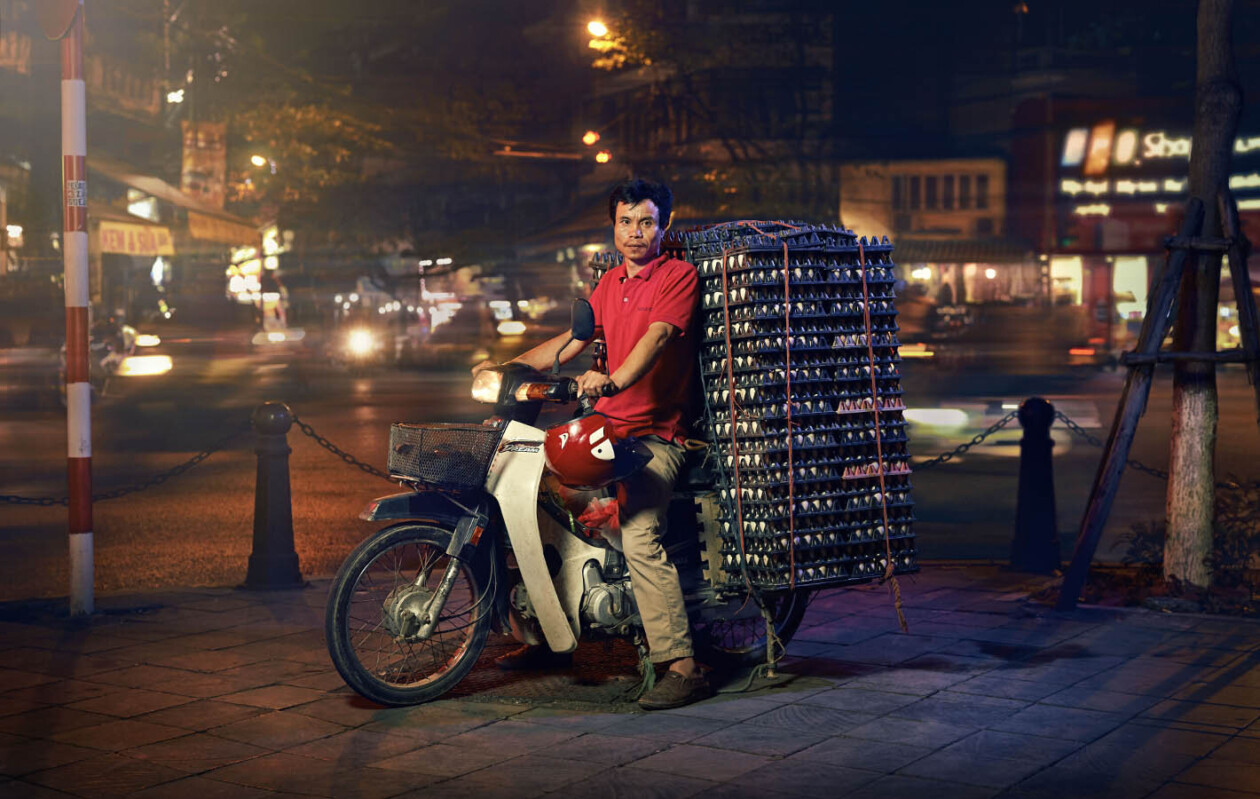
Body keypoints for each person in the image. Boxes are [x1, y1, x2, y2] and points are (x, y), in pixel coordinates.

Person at [472, 178, 709, 710]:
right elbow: (572, 340)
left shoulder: (678, 276)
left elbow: (659, 337)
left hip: (655, 434)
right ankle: (553, 637)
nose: (635, 232)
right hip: (605, 426)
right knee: (539, 499)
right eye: (625, 221)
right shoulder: (609, 285)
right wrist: (509, 367)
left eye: (646, 221)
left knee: (639, 531)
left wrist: (615, 380)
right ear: (614, 226)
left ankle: (683, 665)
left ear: (664, 225)